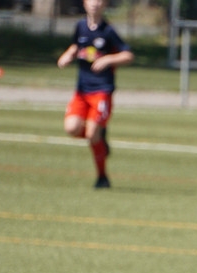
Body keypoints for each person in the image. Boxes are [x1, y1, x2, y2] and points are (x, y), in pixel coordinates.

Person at [57, 0, 134, 189]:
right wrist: (68, 54)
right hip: (82, 90)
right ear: (84, 3)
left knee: (92, 134)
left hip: (102, 90)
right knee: (71, 128)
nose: (95, 4)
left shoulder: (108, 31)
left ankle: (102, 177)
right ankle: (100, 138)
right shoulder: (80, 26)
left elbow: (128, 55)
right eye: (92, 0)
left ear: (105, 5)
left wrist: (108, 59)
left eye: (99, 1)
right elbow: (77, 45)